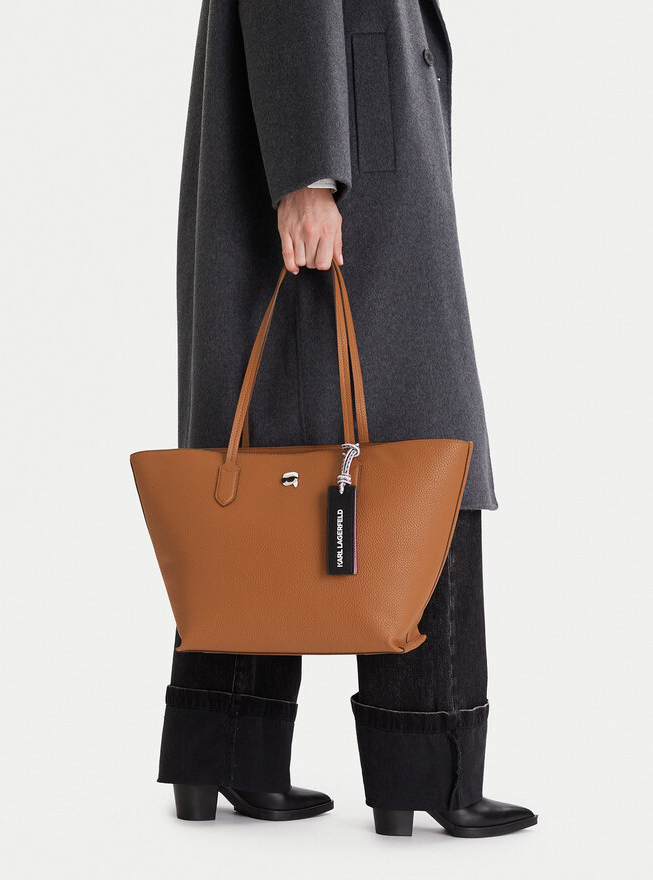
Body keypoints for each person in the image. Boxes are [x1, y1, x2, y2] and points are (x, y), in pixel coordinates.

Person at [158, 0, 537, 837]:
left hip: (348, 136)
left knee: (270, 458)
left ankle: (225, 750)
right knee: (423, 458)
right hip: (345, 157)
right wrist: (309, 172)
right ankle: (424, 767)